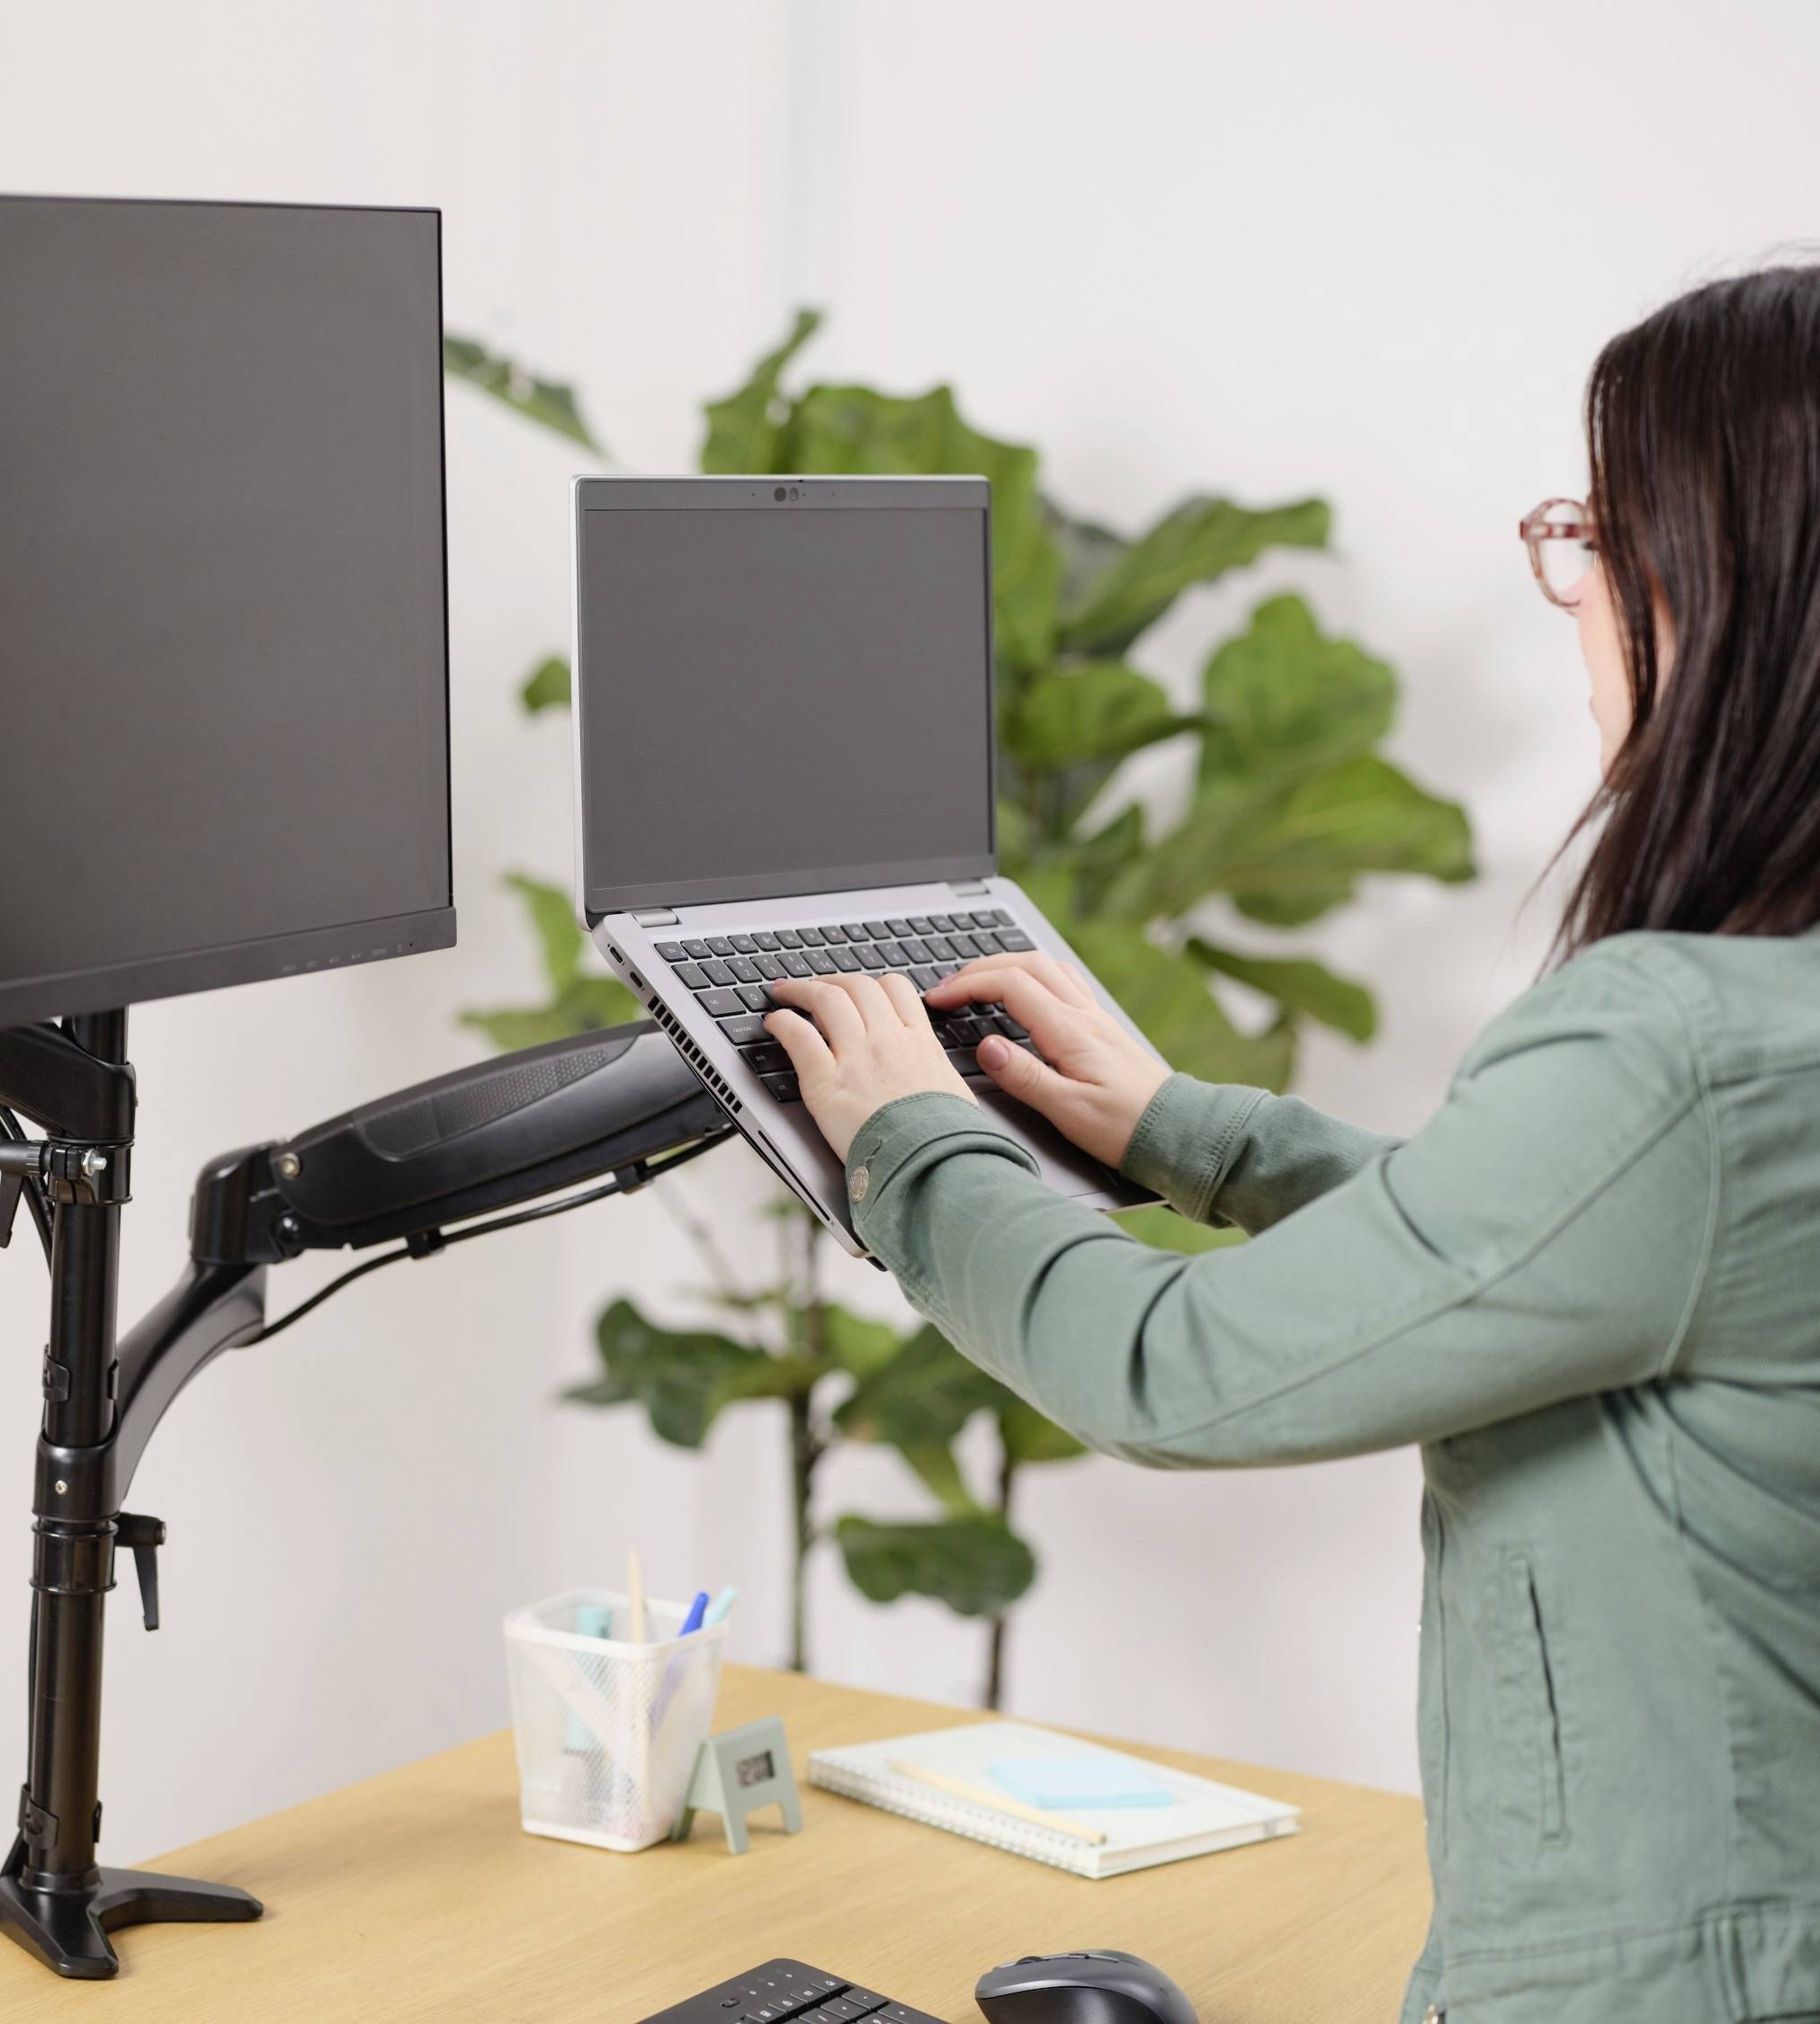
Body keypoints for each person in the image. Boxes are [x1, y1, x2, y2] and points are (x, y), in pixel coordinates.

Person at [765, 264, 1820, 2024]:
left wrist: (916, 1144)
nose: (1573, 594)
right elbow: (1582, 1254)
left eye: (1596, 535)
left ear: (1725, 586)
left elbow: (1173, 1374)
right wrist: (1188, 1132)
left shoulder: (1676, 1048)